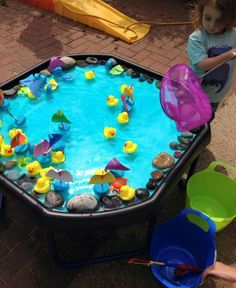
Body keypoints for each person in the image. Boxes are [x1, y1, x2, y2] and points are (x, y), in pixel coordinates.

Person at [187, 0, 236, 112]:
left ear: (229, 18)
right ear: (200, 13)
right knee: (193, 117)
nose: (212, 25)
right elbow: (203, 65)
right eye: (208, 18)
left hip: (217, 93)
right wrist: (228, 55)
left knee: (208, 116)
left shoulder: (234, 35)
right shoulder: (197, 38)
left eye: (219, 21)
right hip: (195, 93)